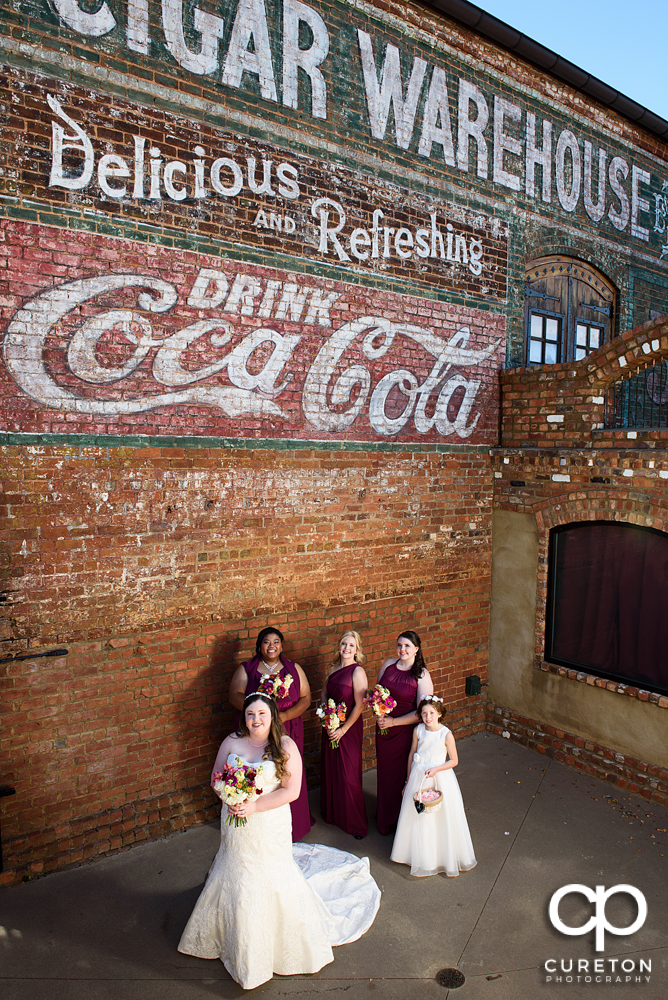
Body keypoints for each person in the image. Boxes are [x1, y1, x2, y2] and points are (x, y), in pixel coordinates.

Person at [178, 693, 381, 990]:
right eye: (250, 714)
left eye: (261, 714)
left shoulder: (285, 746)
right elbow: (216, 778)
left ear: (272, 716)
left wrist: (255, 806)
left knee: (267, 874)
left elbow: (292, 791)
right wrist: (230, 797)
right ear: (243, 717)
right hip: (235, 824)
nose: (255, 720)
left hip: (268, 824)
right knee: (236, 870)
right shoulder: (231, 742)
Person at [228, 626, 313, 840]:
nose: (272, 646)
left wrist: (282, 717)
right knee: (265, 772)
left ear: (282, 645)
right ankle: (256, 818)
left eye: (276, 641)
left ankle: (296, 823)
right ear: (259, 646)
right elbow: (234, 696)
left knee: (289, 773)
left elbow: (306, 698)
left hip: (289, 727)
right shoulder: (247, 668)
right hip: (259, 732)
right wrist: (260, 713)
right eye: (267, 642)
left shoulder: (293, 668)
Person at [390, 695, 477, 878]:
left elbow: (454, 760)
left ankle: (438, 855)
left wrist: (437, 768)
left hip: (439, 777)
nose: (427, 717)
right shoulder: (418, 731)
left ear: (439, 713)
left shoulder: (446, 734)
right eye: (423, 713)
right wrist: (407, 781)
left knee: (438, 816)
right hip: (418, 777)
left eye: (431, 713)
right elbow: (412, 754)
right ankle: (416, 854)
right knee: (417, 815)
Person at [374, 630, 433, 835]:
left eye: (407, 646)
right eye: (399, 645)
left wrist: (393, 722)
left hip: (404, 732)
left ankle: (401, 821)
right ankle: (384, 818)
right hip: (384, 729)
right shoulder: (388, 665)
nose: (402, 649)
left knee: (402, 776)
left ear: (417, 648)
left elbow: (423, 713)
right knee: (385, 774)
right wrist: (379, 712)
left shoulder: (422, 674)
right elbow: (377, 693)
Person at [319, 631, 368, 838]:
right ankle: (334, 814)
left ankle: (355, 823)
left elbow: (359, 706)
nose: (347, 648)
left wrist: (342, 730)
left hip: (348, 729)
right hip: (330, 728)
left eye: (351, 645)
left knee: (348, 775)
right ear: (338, 647)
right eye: (343, 644)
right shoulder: (332, 670)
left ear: (357, 650)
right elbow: (323, 695)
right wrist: (326, 719)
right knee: (332, 770)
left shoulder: (357, 672)